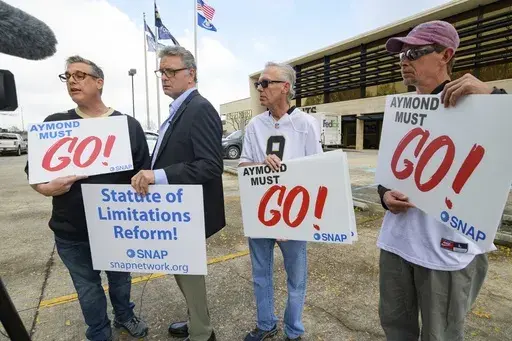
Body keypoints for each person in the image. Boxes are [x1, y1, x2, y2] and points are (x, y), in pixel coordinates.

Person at [376, 20, 507, 341]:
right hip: (398, 243)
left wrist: (496, 95)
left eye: (415, 52)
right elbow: (388, 173)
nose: (405, 60)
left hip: (449, 252)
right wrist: (383, 196)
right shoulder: (401, 111)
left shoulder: (482, 105)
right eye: (402, 55)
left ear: (445, 54)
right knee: (396, 329)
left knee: (441, 335)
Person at [25, 56, 150, 341]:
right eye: (67, 76)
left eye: (80, 75)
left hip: (116, 228)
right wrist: (45, 189)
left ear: (99, 82)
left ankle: (125, 316)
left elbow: (144, 174)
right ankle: (98, 332)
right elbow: (34, 174)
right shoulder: (55, 125)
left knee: (120, 281)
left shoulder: (127, 125)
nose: (72, 81)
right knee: (88, 288)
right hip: (72, 231)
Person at [130, 46, 224, 341]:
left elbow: (211, 165)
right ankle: (195, 320)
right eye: (162, 72)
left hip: (189, 213)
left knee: (189, 274)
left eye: (171, 71)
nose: (164, 77)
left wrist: (156, 176)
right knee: (181, 271)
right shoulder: (179, 109)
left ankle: (202, 333)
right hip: (176, 212)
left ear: (191, 74)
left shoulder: (200, 108)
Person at [238, 62, 323, 341]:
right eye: (258, 84)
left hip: (294, 213)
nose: (259, 88)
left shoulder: (306, 124)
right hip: (261, 210)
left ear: (285, 87)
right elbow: (241, 166)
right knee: (260, 275)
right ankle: (266, 324)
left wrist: (297, 218)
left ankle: (293, 331)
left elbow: (318, 169)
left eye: (265, 83)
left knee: (295, 278)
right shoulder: (254, 125)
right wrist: (259, 164)